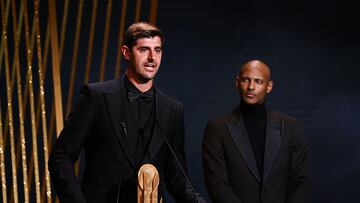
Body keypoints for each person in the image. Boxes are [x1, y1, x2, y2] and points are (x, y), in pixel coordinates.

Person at [49, 22, 205, 203]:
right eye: (144, 50)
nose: (152, 58)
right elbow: (61, 157)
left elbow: (177, 178)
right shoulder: (97, 97)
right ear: (126, 52)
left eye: (158, 50)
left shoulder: (173, 109)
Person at [202, 60, 310, 203]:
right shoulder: (217, 128)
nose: (251, 87)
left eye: (258, 81)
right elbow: (217, 184)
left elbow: (301, 181)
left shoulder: (291, 127)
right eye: (246, 80)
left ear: (269, 86)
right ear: (237, 82)